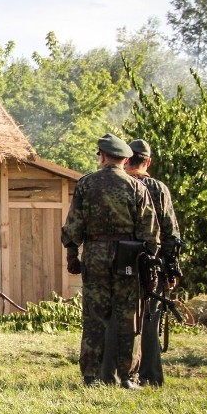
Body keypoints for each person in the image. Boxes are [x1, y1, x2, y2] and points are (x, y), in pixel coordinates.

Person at [61, 133, 160, 390]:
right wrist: (149, 262)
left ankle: (91, 376)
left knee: (94, 316)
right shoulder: (137, 187)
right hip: (128, 256)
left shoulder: (86, 184)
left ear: (103, 155)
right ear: (125, 158)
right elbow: (150, 232)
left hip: (94, 254)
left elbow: (73, 227)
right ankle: (127, 377)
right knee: (129, 317)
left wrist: (73, 255)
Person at [100, 139, 183, 386]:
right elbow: (170, 232)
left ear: (126, 159)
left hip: (120, 260)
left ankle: (113, 374)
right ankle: (151, 375)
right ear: (147, 161)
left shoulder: (119, 184)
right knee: (149, 319)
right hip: (151, 264)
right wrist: (171, 267)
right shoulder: (158, 188)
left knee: (115, 318)